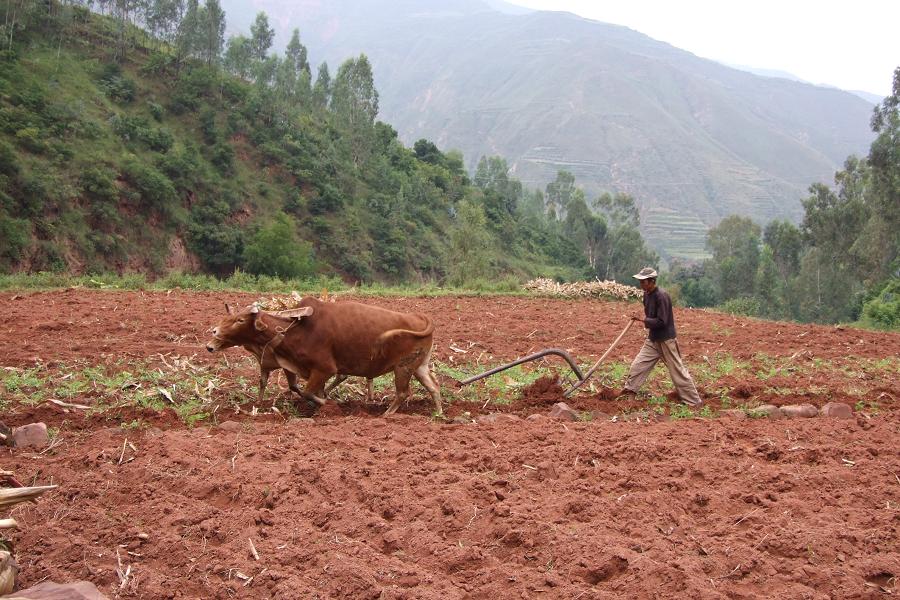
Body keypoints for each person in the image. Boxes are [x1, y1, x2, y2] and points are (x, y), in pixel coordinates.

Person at [619, 267, 703, 407]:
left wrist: (643, 320)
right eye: (640, 281)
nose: (641, 284)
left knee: (677, 371)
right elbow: (650, 316)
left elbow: (662, 321)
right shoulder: (646, 295)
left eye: (643, 281)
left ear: (651, 281)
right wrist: (644, 320)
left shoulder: (662, 296)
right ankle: (629, 393)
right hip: (653, 339)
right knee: (638, 365)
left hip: (666, 339)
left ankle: (694, 402)